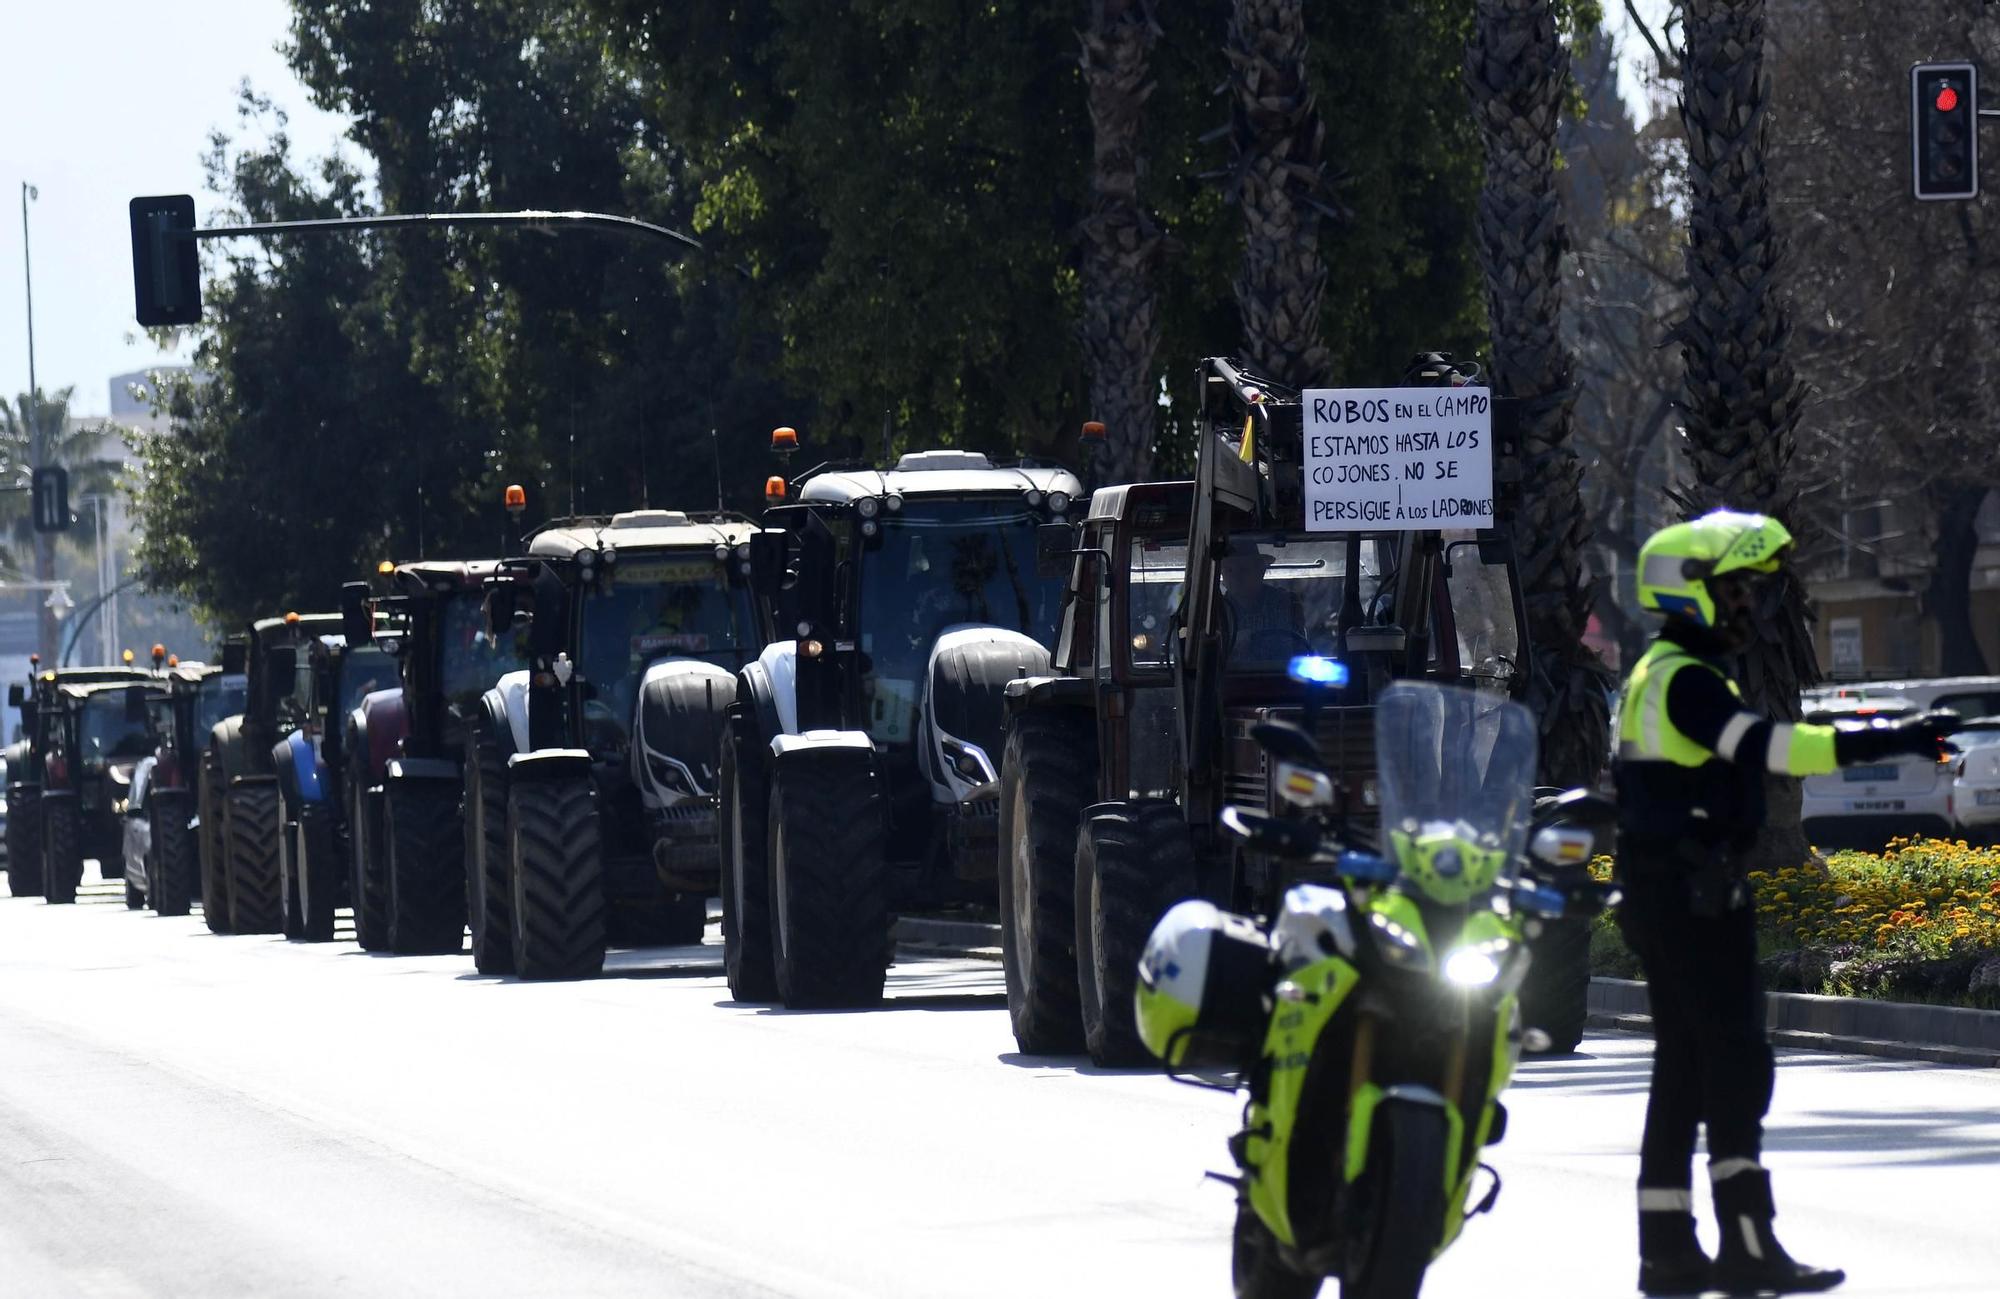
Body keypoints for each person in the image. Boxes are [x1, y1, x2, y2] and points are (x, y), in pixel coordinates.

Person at [1616, 509, 1956, 1297]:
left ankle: (1665, 1248)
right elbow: (1777, 748)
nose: (1748, 605)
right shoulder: (1685, 680)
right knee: (1734, 1062)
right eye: (1735, 588)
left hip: (1666, 889)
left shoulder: (1659, 674)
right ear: (1689, 589)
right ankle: (1745, 1244)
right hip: (1695, 899)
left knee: (1682, 1069)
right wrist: (1895, 736)